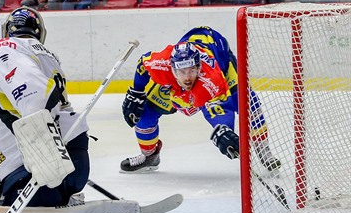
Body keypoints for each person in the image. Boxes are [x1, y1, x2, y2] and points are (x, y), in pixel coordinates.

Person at [0, 6, 90, 208]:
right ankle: (64, 196)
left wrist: (45, 162)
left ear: (7, 30)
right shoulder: (48, 56)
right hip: (74, 159)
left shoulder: (3, 47)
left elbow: (35, 98)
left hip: (35, 171)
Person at [120, 26, 281, 173]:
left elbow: (219, 109)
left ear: (199, 67)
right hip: (188, 59)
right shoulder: (162, 64)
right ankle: (149, 155)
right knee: (144, 113)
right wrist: (136, 93)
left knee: (249, 103)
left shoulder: (211, 80)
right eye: (182, 71)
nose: (188, 77)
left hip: (222, 61)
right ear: (172, 68)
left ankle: (263, 150)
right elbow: (143, 63)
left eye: (192, 70)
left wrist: (223, 129)